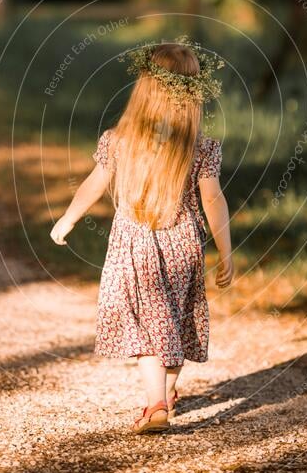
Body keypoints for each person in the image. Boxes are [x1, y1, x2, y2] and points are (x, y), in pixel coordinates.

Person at [50, 39, 233, 434]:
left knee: (145, 327)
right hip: (183, 242)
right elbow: (213, 200)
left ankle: (155, 404)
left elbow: (92, 186)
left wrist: (68, 219)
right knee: (175, 321)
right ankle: (165, 393)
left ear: (144, 90)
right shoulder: (201, 148)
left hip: (133, 246)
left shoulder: (119, 142)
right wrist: (226, 251)